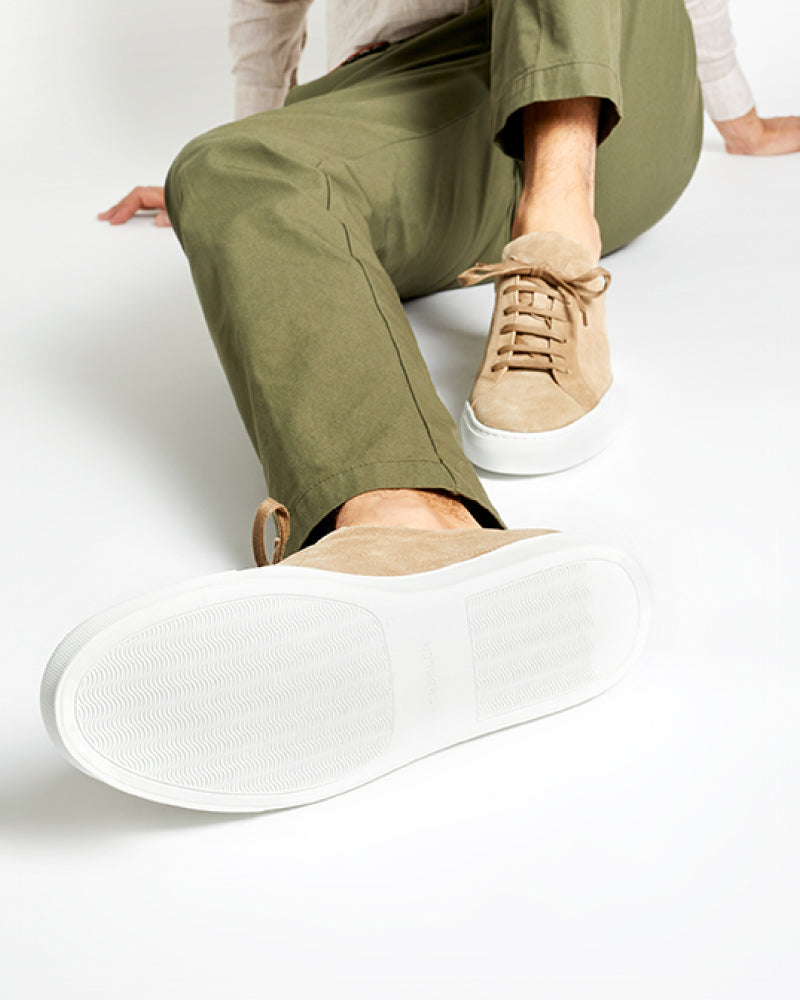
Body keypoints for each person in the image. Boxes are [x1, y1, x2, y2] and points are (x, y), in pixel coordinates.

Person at [41, 1, 796, 813]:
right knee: (227, 168)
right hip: (420, 89)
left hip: (617, 84)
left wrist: (738, 112)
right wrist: (265, 148)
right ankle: (407, 530)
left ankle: (556, 236)